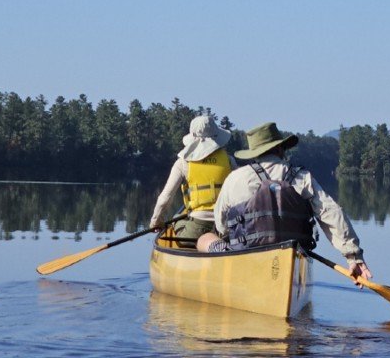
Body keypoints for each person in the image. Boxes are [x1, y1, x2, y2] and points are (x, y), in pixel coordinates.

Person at [197, 122, 372, 285]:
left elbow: (221, 226)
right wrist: (353, 256)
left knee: (204, 238)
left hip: (246, 257)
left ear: (254, 153)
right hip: (292, 257)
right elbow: (332, 213)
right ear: (280, 149)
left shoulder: (235, 178)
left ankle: (225, 256)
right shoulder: (302, 177)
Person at [149, 115, 236, 247]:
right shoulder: (229, 160)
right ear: (216, 136)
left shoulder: (183, 163)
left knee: (176, 221)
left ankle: (210, 246)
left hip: (197, 228)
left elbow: (165, 198)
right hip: (226, 226)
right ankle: (218, 247)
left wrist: (156, 222)